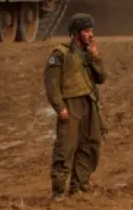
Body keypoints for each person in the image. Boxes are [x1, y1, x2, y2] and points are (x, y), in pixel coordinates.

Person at [45, 14, 107, 200]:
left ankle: (79, 184)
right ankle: (58, 190)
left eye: (91, 31)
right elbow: (52, 84)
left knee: (91, 143)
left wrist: (95, 57)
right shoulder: (60, 54)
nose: (91, 35)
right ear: (76, 33)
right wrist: (60, 107)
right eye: (86, 31)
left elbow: (101, 78)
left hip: (89, 102)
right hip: (70, 104)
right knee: (66, 146)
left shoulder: (89, 54)